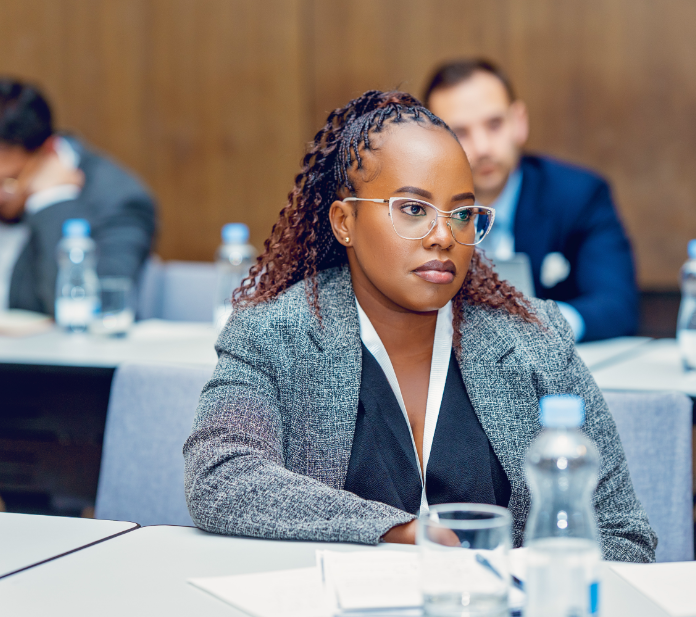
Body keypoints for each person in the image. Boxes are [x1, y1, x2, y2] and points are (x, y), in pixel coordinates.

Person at [184, 90, 656, 561]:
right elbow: (220, 476)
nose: (443, 236)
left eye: (462, 214)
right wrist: (398, 531)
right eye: (413, 209)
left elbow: (623, 534)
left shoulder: (535, 338)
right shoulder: (274, 334)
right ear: (345, 221)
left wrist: (522, 583)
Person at [423, 59, 638, 342]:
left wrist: (541, 325)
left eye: (494, 124)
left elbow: (616, 305)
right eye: (460, 132)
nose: (483, 148)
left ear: (519, 122)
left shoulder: (578, 196)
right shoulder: (414, 210)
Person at [0, 78, 156, 318]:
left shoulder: (118, 200)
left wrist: (53, 201)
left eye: (8, 181)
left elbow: (100, 312)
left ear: (48, 151)